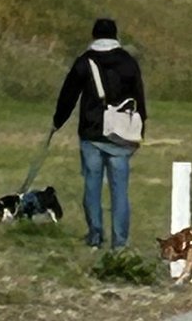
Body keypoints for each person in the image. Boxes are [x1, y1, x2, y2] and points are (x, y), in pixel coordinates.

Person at [52, 18, 147, 250]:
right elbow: (139, 97)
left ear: (93, 36)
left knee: (92, 186)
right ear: (116, 36)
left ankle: (95, 236)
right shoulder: (128, 62)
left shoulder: (85, 62)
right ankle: (120, 243)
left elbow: (69, 95)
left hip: (92, 133)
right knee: (120, 191)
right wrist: (140, 127)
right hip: (121, 134)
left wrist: (58, 121)